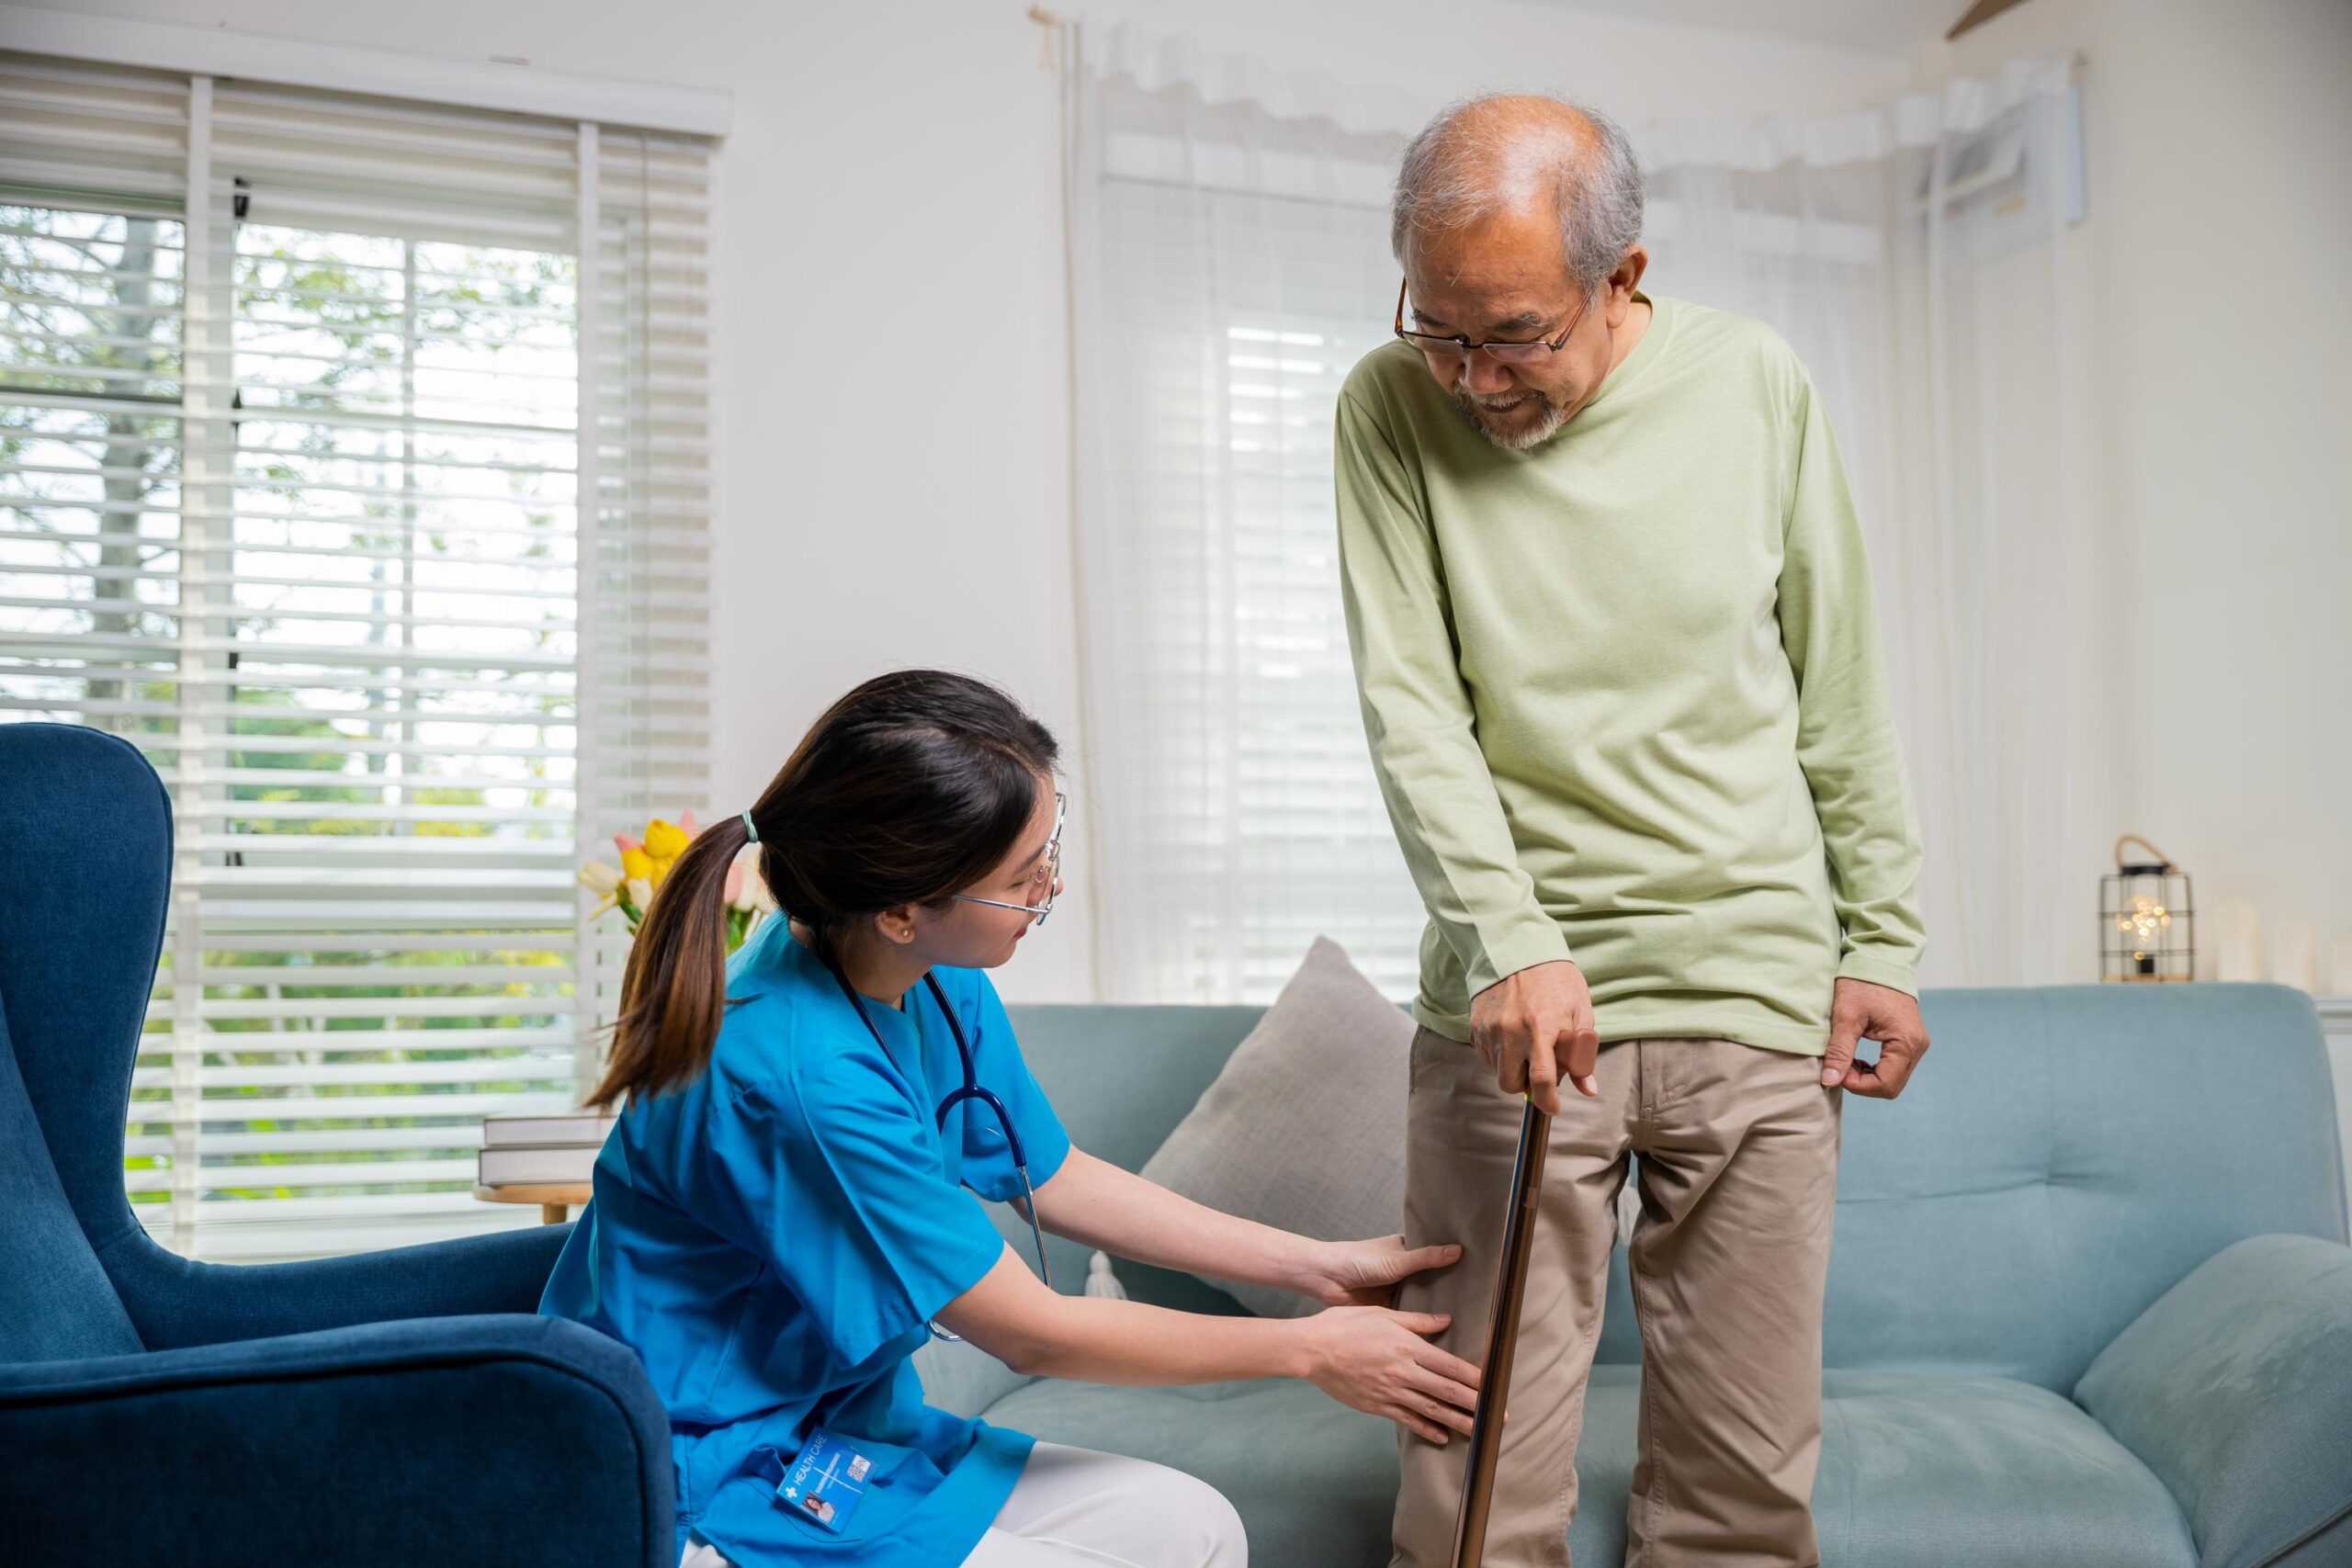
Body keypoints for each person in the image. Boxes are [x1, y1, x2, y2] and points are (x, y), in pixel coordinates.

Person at [1333, 96, 1931, 1567]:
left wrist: (1886, 937)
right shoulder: (1385, 406)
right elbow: (1414, 711)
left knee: (1742, 1492)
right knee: (1476, 1488)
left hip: (1759, 996)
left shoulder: (1757, 386)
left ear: (1626, 275)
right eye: (1442, 328)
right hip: (1519, 1014)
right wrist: (1515, 941)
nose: (1474, 378)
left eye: (1516, 334)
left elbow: (1835, 683)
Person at [541, 669, 1483, 1568]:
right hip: (704, 1474)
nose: (1051, 889)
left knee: (1191, 1529)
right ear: (906, 909)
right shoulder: (798, 1078)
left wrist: (1315, 1267)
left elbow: (1051, 1172)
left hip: (844, 1432)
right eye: (1024, 876)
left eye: (1051, 847)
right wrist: (1306, 1350)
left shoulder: (930, 975)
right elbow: (1033, 1334)